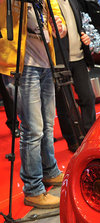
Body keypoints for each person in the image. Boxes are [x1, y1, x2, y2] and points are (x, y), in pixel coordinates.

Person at [0, 0, 67, 208]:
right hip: (22, 66)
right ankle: (33, 189)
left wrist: (60, 26)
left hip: (46, 62)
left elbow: (58, 26)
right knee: (33, 129)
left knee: (47, 125)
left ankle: (50, 171)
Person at [55, 0, 97, 153]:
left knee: (88, 97)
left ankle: (90, 135)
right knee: (65, 104)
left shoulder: (74, 2)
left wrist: (85, 38)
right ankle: (72, 140)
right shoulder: (50, 4)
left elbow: (78, 26)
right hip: (59, 59)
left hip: (79, 56)